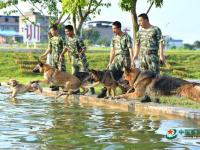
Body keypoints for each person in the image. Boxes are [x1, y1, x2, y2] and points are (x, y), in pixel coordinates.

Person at [133, 13, 165, 102]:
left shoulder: (156, 29)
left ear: (146, 20)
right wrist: (135, 55)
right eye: (138, 21)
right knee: (144, 77)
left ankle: (156, 97)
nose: (139, 23)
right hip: (142, 57)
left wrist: (161, 55)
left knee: (155, 77)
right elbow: (137, 44)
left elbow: (161, 42)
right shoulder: (139, 32)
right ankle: (146, 96)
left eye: (140, 21)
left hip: (153, 56)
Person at [97, 21, 134, 98]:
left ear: (119, 28)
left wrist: (132, 60)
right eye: (112, 29)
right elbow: (112, 51)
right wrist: (110, 62)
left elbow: (130, 49)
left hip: (125, 59)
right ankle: (105, 91)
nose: (113, 30)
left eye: (114, 29)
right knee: (109, 73)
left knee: (125, 77)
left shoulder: (127, 37)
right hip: (116, 59)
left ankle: (127, 92)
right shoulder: (113, 38)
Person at [59, 25, 95, 95]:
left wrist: (80, 54)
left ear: (72, 31)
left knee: (86, 75)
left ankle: (92, 90)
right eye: (65, 32)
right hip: (74, 60)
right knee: (74, 76)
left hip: (81, 60)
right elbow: (66, 47)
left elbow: (84, 48)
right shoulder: (68, 39)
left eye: (67, 31)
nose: (66, 33)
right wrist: (61, 54)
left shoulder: (78, 39)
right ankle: (76, 90)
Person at [40, 25, 66, 91]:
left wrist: (61, 55)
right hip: (53, 58)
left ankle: (64, 87)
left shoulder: (61, 38)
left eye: (52, 30)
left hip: (60, 57)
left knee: (61, 72)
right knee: (54, 73)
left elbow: (66, 47)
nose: (51, 32)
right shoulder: (51, 39)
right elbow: (49, 48)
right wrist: (44, 55)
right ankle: (56, 86)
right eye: (51, 31)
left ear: (56, 30)